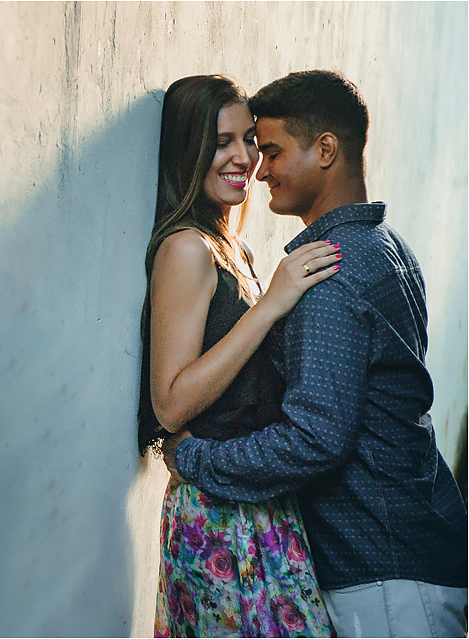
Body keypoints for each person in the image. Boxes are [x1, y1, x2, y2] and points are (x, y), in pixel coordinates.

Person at [163, 70, 469, 638]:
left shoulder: (328, 273)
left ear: (325, 150)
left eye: (270, 149)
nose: (260, 166)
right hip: (413, 556)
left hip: (384, 577)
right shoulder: (386, 247)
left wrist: (195, 461)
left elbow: (315, 437)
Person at [138, 75, 340, 637]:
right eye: (221, 141)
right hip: (216, 521)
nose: (244, 158)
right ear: (189, 150)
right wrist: (270, 306)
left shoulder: (235, 247)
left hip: (258, 501)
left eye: (250, 139)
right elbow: (171, 404)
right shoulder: (186, 249)